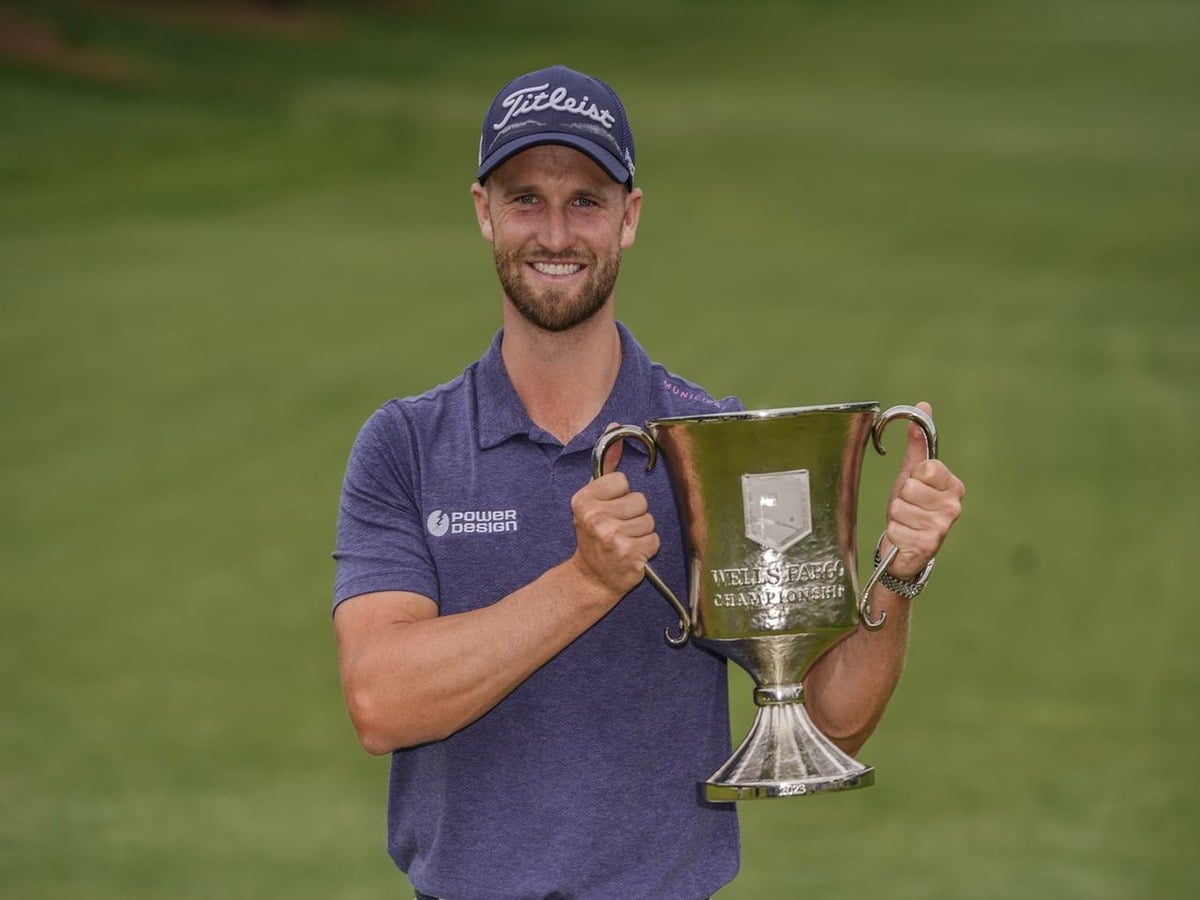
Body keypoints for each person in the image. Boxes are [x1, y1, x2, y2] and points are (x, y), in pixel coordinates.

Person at [332, 64, 965, 900]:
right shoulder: (406, 445)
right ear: (483, 211)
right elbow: (381, 701)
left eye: (586, 201)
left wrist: (900, 572)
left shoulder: (716, 449)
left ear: (628, 219)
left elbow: (829, 716)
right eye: (526, 198)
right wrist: (584, 583)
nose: (556, 232)